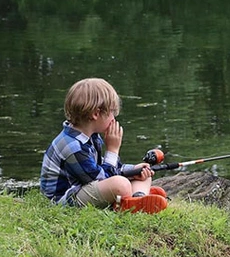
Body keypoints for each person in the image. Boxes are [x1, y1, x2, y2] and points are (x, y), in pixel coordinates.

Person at [40, 78, 168, 214]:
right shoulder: (72, 146)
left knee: (142, 172)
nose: (114, 118)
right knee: (120, 184)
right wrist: (113, 150)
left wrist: (134, 170)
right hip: (64, 200)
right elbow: (100, 178)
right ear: (95, 114)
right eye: (112, 112)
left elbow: (106, 169)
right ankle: (131, 199)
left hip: (87, 184)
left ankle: (138, 198)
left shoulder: (90, 136)